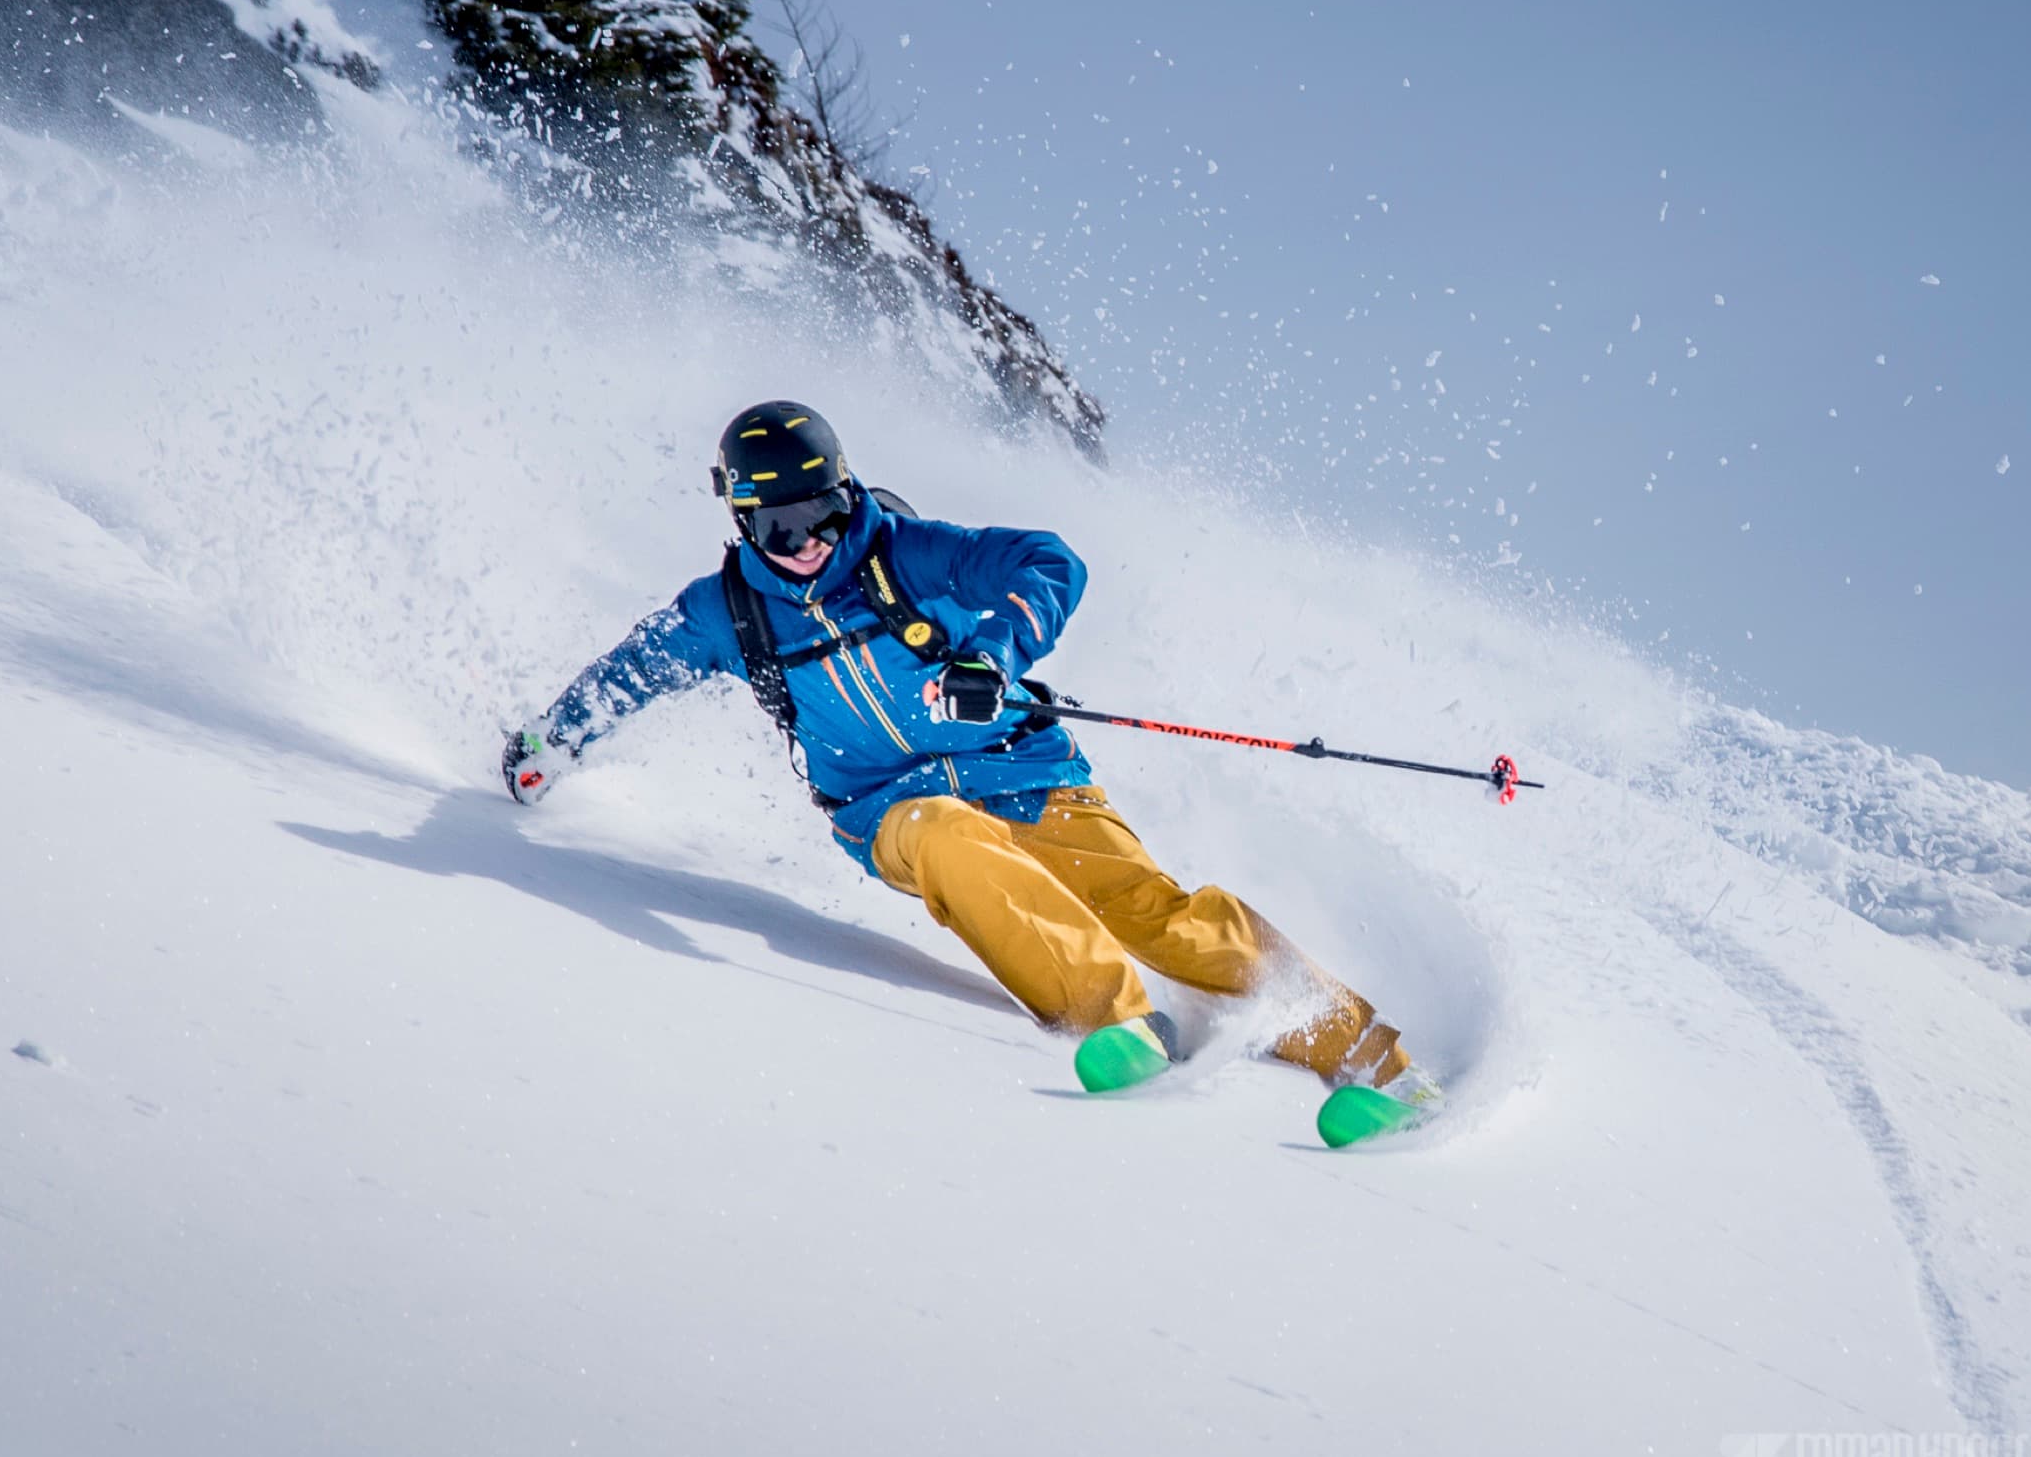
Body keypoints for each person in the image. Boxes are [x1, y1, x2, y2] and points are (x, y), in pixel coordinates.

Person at [502, 399, 1434, 1099]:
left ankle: (1368, 1056)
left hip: (1024, 770)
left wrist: (996, 654)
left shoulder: (907, 552)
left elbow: (1050, 561)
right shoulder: (727, 610)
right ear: (744, 522)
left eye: (825, 512)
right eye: (783, 526)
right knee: (948, 834)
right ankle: (1116, 1018)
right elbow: (634, 669)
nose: (810, 542)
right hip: (885, 810)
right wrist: (556, 736)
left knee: (1158, 913)